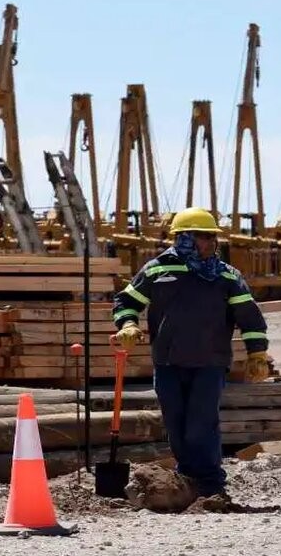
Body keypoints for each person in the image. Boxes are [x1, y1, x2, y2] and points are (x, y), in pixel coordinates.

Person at [112, 207, 271, 500]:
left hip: (210, 364)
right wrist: (129, 324)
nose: (210, 243)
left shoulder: (226, 275)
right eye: (202, 237)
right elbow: (126, 301)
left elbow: (249, 317)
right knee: (176, 424)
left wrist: (257, 354)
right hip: (168, 363)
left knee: (201, 424)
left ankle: (211, 485)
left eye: (212, 237)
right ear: (183, 238)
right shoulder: (157, 270)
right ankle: (189, 480)